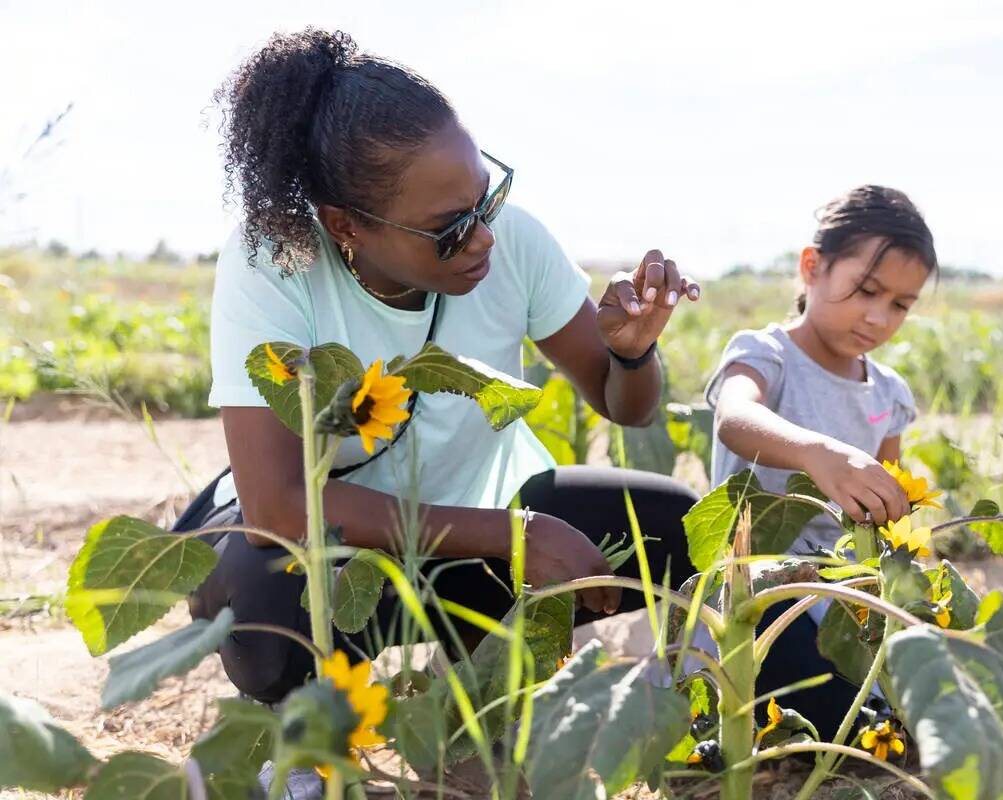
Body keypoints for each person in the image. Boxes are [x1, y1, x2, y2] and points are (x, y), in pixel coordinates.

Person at [183, 27, 705, 714]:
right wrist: (514, 536)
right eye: (451, 226)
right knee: (263, 596)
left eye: (488, 199)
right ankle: (312, 736)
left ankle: (489, 683)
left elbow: (626, 407)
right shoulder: (272, 265)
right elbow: (279, 510)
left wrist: (633, 350)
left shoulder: (512, 243)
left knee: (675, 528)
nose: (484, 236)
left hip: (464, 542)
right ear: (346, 226)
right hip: (348, 558)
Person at [705, 184, 938, 727]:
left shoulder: (888, 393)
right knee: (845, 717)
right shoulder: (767, 355)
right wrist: (817, 452)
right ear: (813, 267)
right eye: (866, 290)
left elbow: (888, 508)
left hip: (846, 598)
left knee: (930, 691)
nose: (879, 317)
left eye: (900, 304)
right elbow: (735, 419)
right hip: (760, 593)